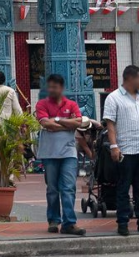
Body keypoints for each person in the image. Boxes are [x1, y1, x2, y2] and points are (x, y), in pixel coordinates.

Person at [103, 65, 139, 237]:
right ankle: (123, 222)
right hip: (125, 150)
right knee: (123, 188)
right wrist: (114, 146)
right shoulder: (114, 98)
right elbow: (110, 123)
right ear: (129, 79)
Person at [36, 74, 85, 236]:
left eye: (54, 87)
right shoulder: (41, 104)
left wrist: (56, 120)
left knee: (68, 188)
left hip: (69, 152)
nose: (51, 90)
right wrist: (66, 123)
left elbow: (79, 122)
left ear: (61, 88)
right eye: (49, 87)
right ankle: (53, 220)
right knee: (52, 189)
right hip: (49, 153)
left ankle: (69, 223)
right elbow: (45, 123)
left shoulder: (71, 104)